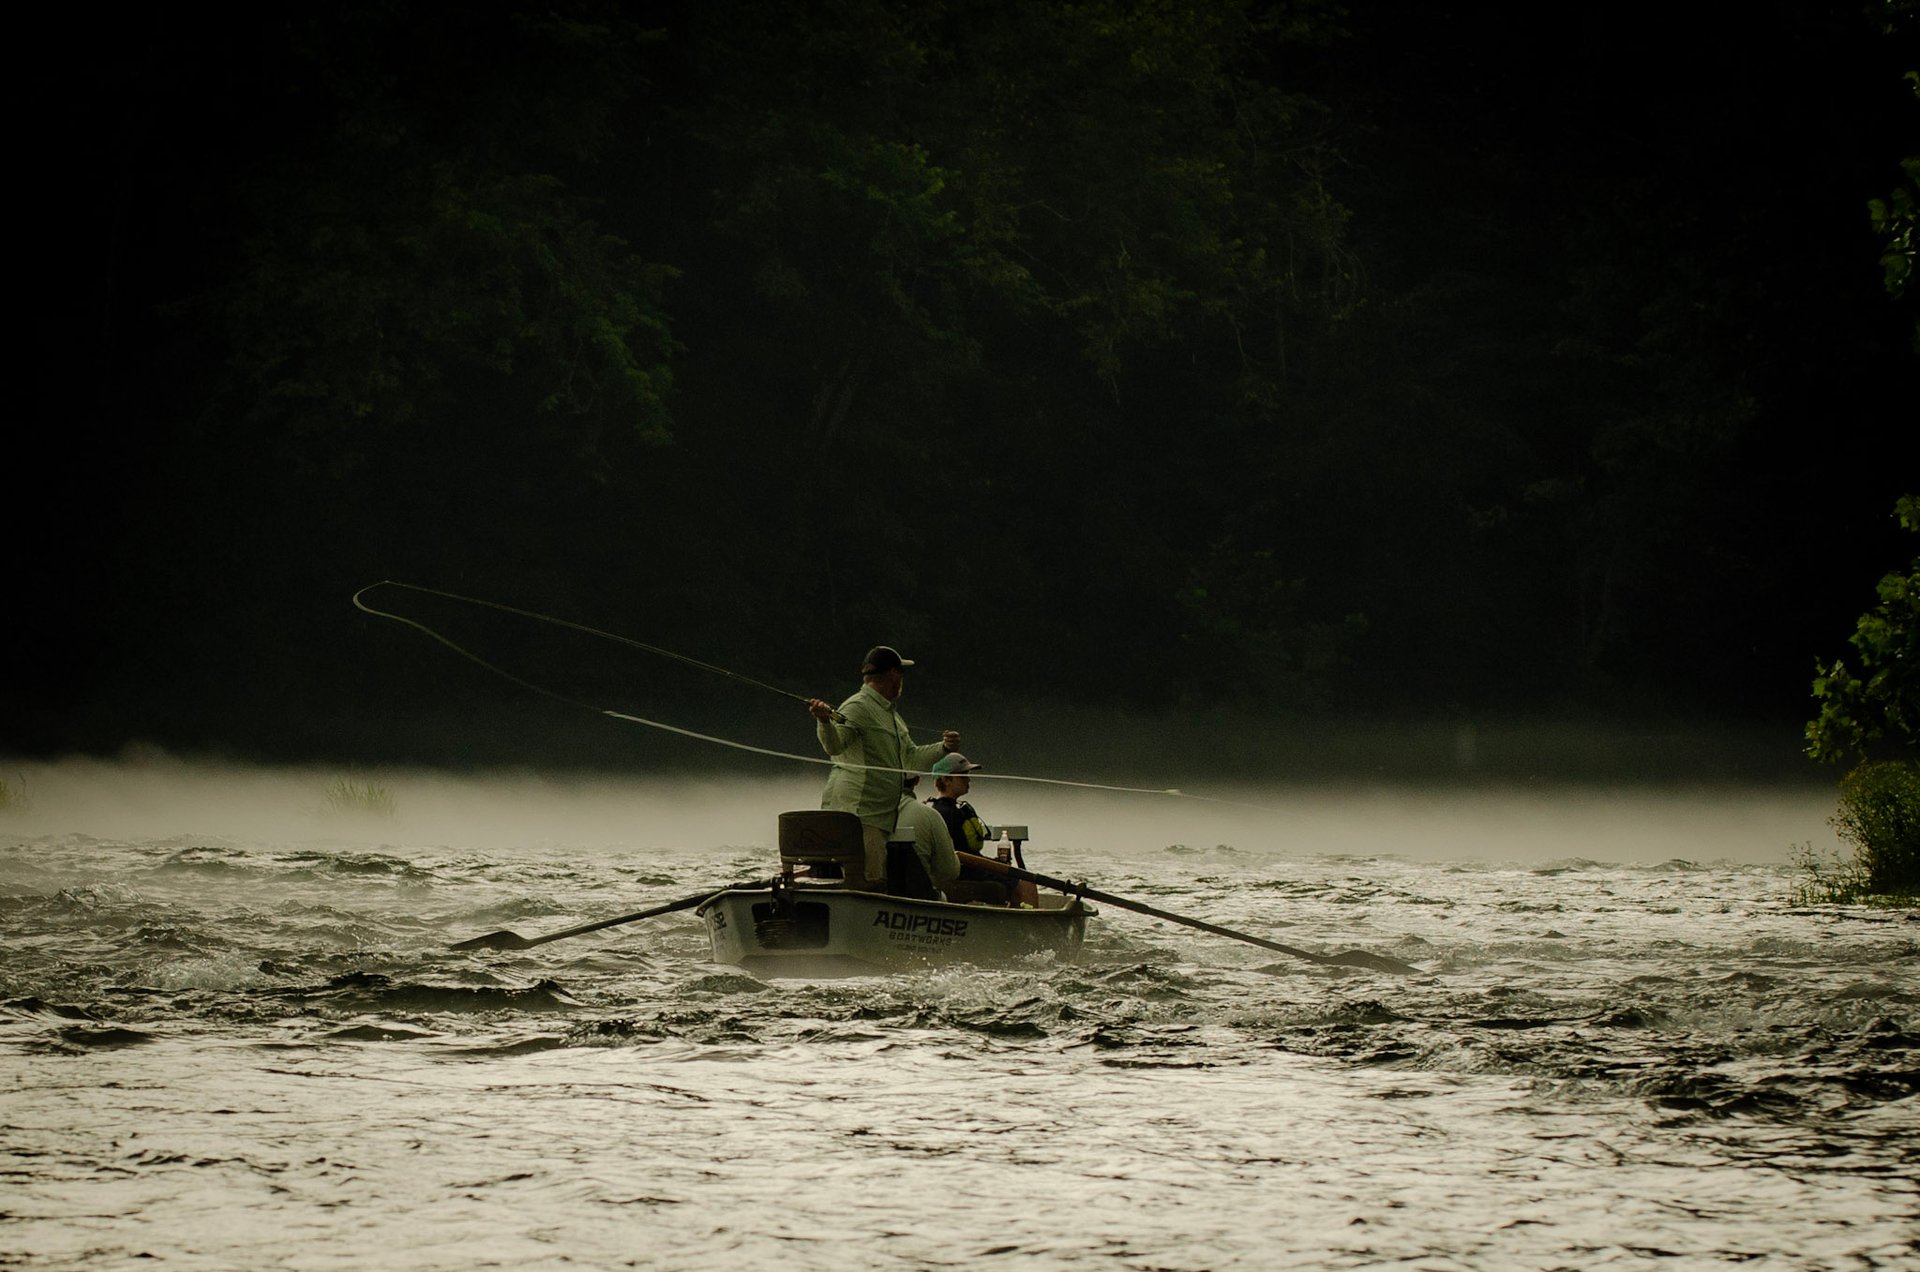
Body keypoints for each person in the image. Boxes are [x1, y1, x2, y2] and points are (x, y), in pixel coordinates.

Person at [807, 645, 959, 889]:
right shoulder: (857, 707)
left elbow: (910, 759)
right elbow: (835, 746)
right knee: (869, 884)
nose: (902, 679)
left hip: (878, 818)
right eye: (901, 673)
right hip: (859, 815)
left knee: (873, 881)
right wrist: (824, 721)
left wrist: (944, 747)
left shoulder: (891, 715)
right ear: (892, 675)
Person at [928, 751, 1017, 905]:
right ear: (946, 780)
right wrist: (995, 866)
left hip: (967, 870)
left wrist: (993, 863)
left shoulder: (952, 809)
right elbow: (961, 856)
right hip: (962, 873)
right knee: (1022, 882)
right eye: (963, 776)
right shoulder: (946, 813)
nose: (968, 780)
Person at [894, 775, 960, 898]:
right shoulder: (930, 815)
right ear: (917, 780)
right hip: (919, 894)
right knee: (996, 889)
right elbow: (949, 871)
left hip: (881, 892)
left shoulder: (867, 813)